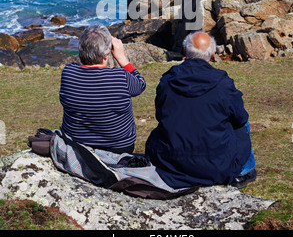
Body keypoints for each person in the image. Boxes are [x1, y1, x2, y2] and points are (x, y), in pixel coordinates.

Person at [145, 30, 256, 189]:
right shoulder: (222, 84)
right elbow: (240, 118)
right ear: (212, 54)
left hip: (171, 163)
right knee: (243, 124)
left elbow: (160, 115)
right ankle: (245, 171)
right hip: (216, 166)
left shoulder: (167, 81)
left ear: (184, 51)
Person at [59, 24, 146, 154]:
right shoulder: (121, 77)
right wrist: (121, 57)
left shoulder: (68, 73)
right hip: (119, 148)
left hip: (77, 145)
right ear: (106, 55)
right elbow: (140, 84)